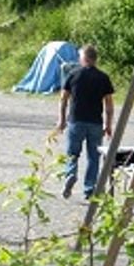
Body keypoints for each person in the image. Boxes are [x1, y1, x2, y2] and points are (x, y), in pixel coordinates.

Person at [58, 44, 114, 201]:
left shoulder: (73, 74)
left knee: (72, 153)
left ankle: (71, 174)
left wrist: (62, 120)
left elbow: (63, 99)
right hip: (95, 122)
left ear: (84, 58)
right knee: (93, 157)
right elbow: (109, 104)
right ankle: (89, 189)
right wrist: (108, 125)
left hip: (76, 120)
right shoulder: (103, 78)